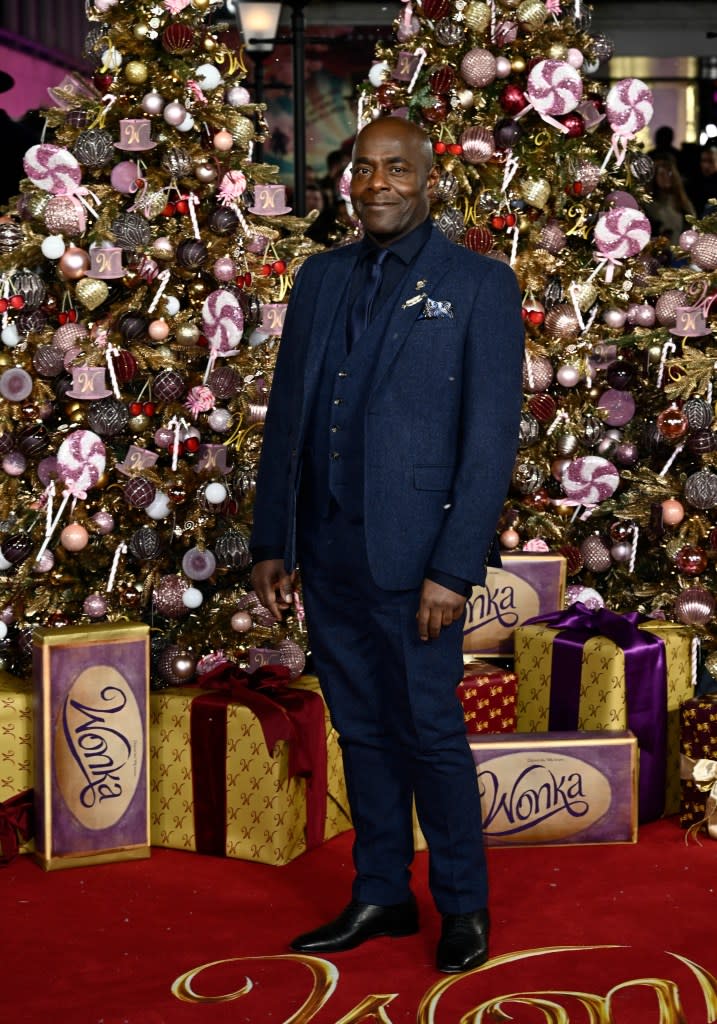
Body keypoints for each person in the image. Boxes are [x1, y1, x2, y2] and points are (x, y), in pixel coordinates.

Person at [249, 116, 524, 974]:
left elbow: (488, 442)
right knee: (361, 729)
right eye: (363, 169)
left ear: (428, 180)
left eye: (396, 169)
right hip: (326, 552)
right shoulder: (320, 278)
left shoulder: (477, 284)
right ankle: (380, 893)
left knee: (429, 733)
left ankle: (464, 904)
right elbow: (289, 417)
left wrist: (452, 567)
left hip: (416, 565)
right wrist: (272, 538)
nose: (376, 185)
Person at [645, 153, 695, 246]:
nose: (666, 177)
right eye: (661, 174)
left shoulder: (682, 202)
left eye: (669, 173)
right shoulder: (648, 204)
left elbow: (692, 226)